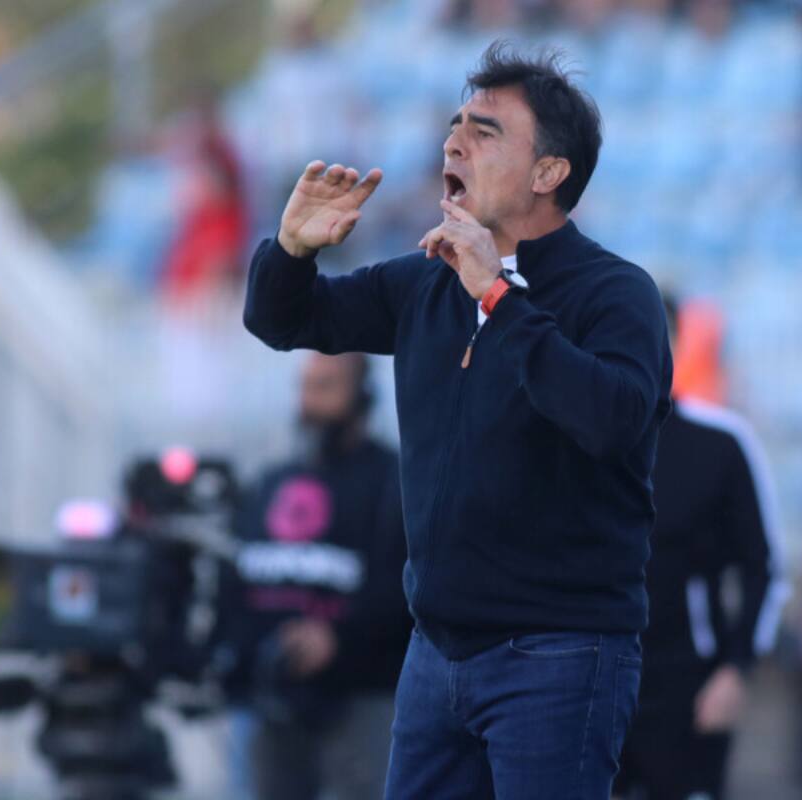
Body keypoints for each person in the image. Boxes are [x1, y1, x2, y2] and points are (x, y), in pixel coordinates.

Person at [243, 42, 673, 799]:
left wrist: (497, 298)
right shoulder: (423, 284)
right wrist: (290, 251)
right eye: (453, 126)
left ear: (548, 174)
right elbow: (283, 320)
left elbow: (611, 420)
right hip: (436, 653)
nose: (453, 143)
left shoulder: (616, 293)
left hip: (561, 656)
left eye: (485, 130)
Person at [615, 295, 789, 800]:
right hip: (588, 684)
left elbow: (764, 569)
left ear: (673, 344)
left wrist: (737, 669)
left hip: (687, 688)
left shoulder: (722, 444)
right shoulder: (575, 442)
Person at [224, 352, 410, 800]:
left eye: (326, 386)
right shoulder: (270, 482)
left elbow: (407, 589)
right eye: (306, 385)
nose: (309, 400)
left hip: (364, 697)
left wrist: (337, 637)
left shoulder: (395, 480)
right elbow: (239, 579)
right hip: (275, 703)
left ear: (363, 396)